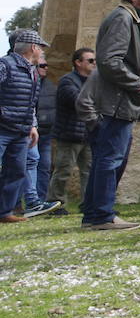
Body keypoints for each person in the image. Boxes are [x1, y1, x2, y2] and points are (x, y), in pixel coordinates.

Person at [78, 0, 140, 231]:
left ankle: (94, 213)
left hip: (120, 102)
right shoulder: (123, 18)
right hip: (118, 102)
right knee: (110, 159)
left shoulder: (130, 18)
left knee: (107, 157)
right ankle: (102, 215)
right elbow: (110, 61)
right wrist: (136, 83)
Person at [1, 30, 57, 223]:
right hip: (3, 128)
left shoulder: (32, 71)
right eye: (40, 47)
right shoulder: (5, 65)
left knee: (16, 171)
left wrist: (32, 125)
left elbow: (31, 102)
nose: (41, 52)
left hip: (21, 131)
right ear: (33, 47)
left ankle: (4, 212)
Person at [51, 47, 94, 212]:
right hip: (69, 134)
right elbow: (78, 101)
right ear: (78, 62)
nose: (94, 64)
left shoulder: (93, 81)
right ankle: (56, 204)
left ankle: (88, 204)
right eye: (90, 61)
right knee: (63, 171)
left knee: (89, 172)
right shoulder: (67, 81)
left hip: (88, 133)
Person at [26, 60, 61, 216]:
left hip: (45, 133)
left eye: (47, 65)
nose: (45, 68)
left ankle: (39, 201)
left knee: (44, 167)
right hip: (29, 132)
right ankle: (18, 203)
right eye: (42, 65)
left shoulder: (51, 86)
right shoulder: (29, 83)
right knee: (23, 167)